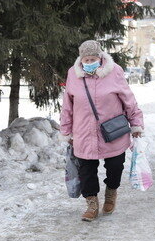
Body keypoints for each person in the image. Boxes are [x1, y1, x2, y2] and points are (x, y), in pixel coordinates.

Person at [60, 40, 144, 221]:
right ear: (81, 59)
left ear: (100, 57)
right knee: (86, 171)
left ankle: (111, 191)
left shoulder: (115, 72)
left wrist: (136, 123)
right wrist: (66, 130)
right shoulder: (73, 74)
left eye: (93, 59)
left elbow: (128, 100)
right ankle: (91, 203)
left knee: (115, 167)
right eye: (86, 59)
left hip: (112, 131)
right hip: (83, 131)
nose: (89, 63)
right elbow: (67, 105)